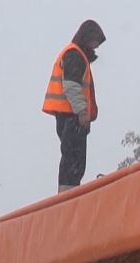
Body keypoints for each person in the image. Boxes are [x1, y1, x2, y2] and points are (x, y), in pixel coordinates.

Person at [42, 20, 106, 192]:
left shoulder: (75, 54)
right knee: (73, 159)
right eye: (94, 42)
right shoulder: (74, 55)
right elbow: (71, 85)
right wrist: (82, 111)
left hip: (69, 115)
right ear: (86, 38)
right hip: (72, 116)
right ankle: (68, 197)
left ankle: (69, 193)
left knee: (74, 159)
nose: (95, 47)